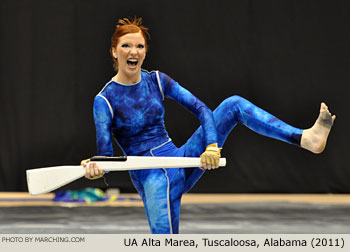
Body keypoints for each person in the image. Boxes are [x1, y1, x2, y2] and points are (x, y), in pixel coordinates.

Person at [81, 17, 335, 234]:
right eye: (126, 46)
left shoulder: (157, 80)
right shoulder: (104, 100)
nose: (133, 52)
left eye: (140, 46)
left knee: (233, 104)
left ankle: (305, 139)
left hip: (179, 161)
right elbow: (107, 159)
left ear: (146, 51)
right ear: (114, 51)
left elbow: (202, 109)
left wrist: (212, 146)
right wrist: (96, 166)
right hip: (149, 174)